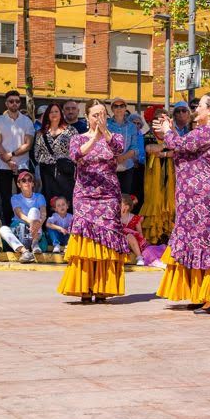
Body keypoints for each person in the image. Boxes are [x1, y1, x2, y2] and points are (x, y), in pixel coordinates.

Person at [153, 93, 210, 314]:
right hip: (206, 196)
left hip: (206, 197)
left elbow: (179, 144)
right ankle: (202, 294)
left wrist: (168, 130)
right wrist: (170, 131)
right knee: (201, 241)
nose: (195, 109)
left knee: (208, 242)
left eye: (199, 106)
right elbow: (185, 149)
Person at [58, 101, 131, 304]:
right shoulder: (78, 138)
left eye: (102, 114)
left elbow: (118, 149)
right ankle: (84, 287)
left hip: (108, 195)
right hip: (85, 195)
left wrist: (104, 133)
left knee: (107, 237)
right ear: (87, 117)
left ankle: (102, 288)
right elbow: (76, 154)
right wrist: (94, 137)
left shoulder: (114, 136)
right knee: (86, 237)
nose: (99, 118)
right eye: (95, 115)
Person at [0, 91, 36, 222]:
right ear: (6, 103)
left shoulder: (27, 121)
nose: (14, 103)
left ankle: (24, 223)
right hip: (3, 165)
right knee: (5, 196)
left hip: (22, 164)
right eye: (11, 101)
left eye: (17, 101)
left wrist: (11, 155)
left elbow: (28, 144)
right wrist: (8, 160)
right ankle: (9, 223)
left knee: (24, 195)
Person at [104, 98, 145, 209]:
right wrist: (114, 157)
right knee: (109, 196)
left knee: (125, 198)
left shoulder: (132, 126)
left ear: (125, 108)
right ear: (112, 109)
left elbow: (135, 147)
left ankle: (123, 219)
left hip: (127, 167)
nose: (119, 108)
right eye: (116, 106)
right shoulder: (106, 124)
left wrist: (124, 157)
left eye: (121, 106)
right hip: (109, 167)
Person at [3, 170, 44, 263]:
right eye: (24, 180)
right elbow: (20, 214)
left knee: (34, 210)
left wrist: (37, 224)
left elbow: (43, 213)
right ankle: (25, 252)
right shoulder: (15, 198)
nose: (27, 182)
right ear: (19, 184)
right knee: (3, 229)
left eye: (29, 180)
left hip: (36, 232)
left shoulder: (39, 196)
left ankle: (35, 243)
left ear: (33, 184)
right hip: (20, 231)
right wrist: (32, 223)